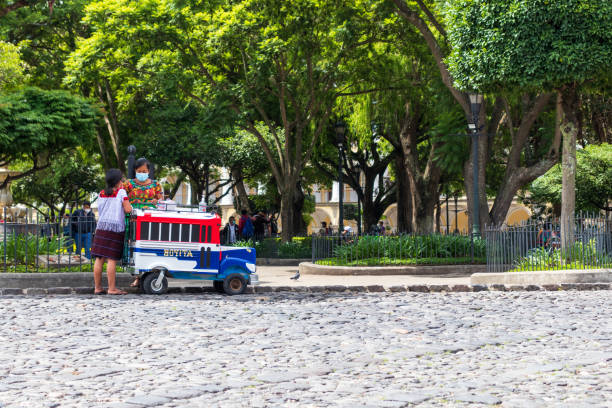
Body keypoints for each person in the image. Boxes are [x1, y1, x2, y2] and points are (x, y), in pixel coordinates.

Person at [91, 169, 132, 295]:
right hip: (115, 229)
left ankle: (97, 288)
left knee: (99, 259)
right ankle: (112, 288)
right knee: (111, 259)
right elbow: (128, 209)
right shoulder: (121, 192)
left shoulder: (101, 193)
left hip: (101, 228)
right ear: (118, 181)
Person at [124, 158, 162, 287]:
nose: (142, 173)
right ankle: (136, 276)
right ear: (135, 171)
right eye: (139, 171)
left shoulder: (156, 184)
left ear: (149, 171)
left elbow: (160, 199)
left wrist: (156, 201)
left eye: (144, 171)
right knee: (134, 248)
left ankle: (147, 275)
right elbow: (122, 198)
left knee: (149, 247)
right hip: (133, 218)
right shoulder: (128, 184)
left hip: (149, 220)